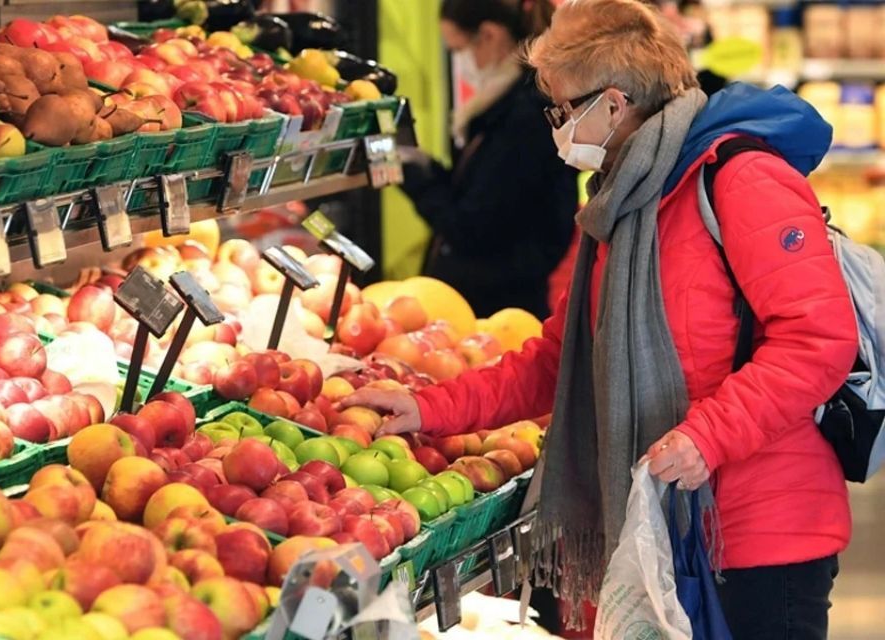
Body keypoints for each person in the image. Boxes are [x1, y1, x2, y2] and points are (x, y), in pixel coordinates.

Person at [342, 0, 858, 637]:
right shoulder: (625, 201)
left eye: (563, 109)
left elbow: (816, 338)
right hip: (661, 527)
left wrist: (708, 436)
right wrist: (429, 408)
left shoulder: (741, 180)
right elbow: (556, 359)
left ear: (614, 105)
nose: (558, 128)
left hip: (759, 535)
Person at [400, 0, 578, 320]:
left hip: (498, 307)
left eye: (458, 49)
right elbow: (477, 193)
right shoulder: (507, 103)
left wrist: (413, 176)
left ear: (489, 35)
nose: (459, 62)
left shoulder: (523, 116)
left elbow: (474, 225)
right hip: (494, 297)